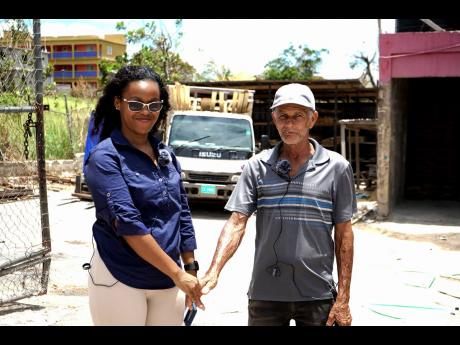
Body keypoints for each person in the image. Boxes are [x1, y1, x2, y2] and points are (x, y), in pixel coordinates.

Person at [199, 83, 356, 326]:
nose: (289, 124)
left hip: (318, 295)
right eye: (283, 116)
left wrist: (343, 297)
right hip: (266, 294)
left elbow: (344, 234)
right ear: (274, 118)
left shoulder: (337, 168)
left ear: (312, 119)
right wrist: (214, 269)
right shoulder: (257, 166)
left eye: (297, 117)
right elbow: (237, 222)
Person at [84, 65, 204, 326]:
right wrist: (178, 274)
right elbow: (128, 223)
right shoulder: (105, 157)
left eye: (153, 105)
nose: (145, 112)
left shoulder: (166, 155)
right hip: (120, 273)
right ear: (118, 103)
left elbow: (181, 211)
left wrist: (190, 268)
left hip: (166, 278)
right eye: (135, 104)